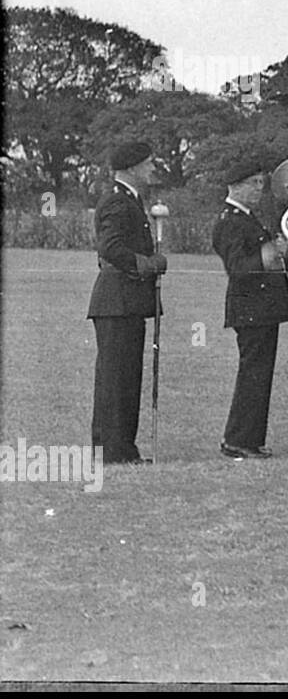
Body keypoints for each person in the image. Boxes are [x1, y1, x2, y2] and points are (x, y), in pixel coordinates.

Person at [86, 141, 165, 464]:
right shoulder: (118, 202)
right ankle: (114, 450)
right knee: (117, 379)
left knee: (123, 377)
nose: (152, 169)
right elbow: (110, 247)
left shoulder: (131, 200)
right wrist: (146, 264)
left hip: (125, 301)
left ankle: (118, 448)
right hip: (117, 300)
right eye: (148, 164)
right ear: (131, 168)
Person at [213, 161, 288, 459]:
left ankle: (249, 439)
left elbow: (269, 262)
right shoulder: (230, 221)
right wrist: (267, 254)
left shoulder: (246, 218)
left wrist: (285, 254)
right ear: (235, 186)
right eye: (253, 183)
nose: (260, 189)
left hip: (263, 308)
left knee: (259, 375)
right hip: (251, 308)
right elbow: (238, 269)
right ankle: (238, 440)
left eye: (261, 183)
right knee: (253, 375)